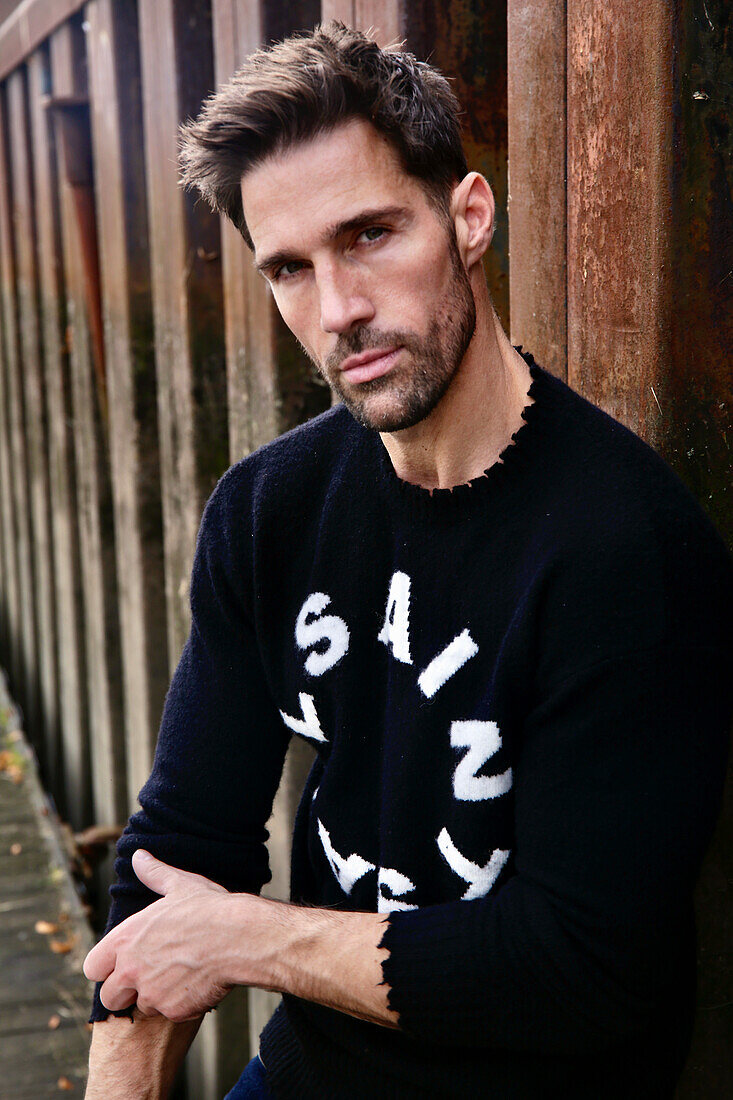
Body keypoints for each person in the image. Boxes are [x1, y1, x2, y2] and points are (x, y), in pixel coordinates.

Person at [83, 21, 733, 1100]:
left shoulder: (623, 547)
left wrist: (250, 939)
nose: (337, 310)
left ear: (467, 216)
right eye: (288, 268)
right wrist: (126, 1070)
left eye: (371, 235)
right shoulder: (270, 510)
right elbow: (176, 848)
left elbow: (580, 968)